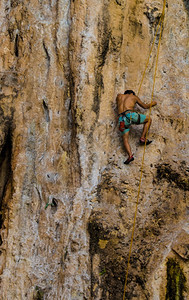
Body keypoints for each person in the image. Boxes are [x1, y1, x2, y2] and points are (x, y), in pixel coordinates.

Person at [116, 90, 157, 164]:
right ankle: (142, 138)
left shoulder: (119, 96)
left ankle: (130, 156)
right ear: (131, 93)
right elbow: (145, 106)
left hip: (121, 119)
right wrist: (153, 104)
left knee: (125, 139)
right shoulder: (133, 97)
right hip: (130, 115)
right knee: (148, 119)